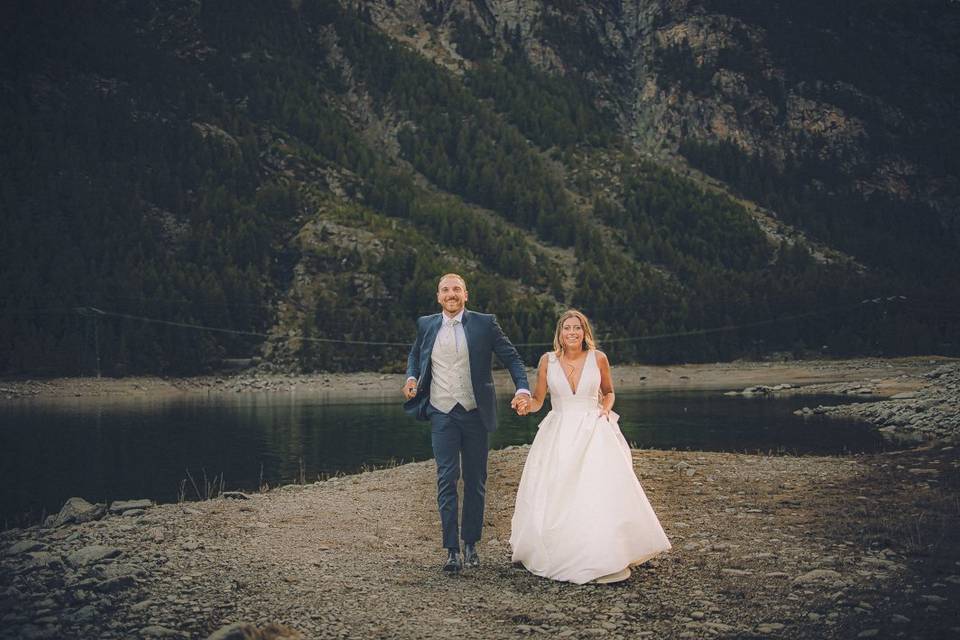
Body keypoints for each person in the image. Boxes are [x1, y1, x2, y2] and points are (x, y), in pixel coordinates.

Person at [510, 309, 671, 584]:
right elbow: (538, 399)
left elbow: (608, 392)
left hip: (593, 427)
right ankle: (560, 547)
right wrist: (526, 406)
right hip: (558, 431)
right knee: (557, 491)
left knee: (595, 490)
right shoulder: (547, 361)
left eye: (577, 328)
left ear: (585, 332)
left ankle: (603, 551)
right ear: (559, 333)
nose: (572, 333)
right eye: (566, 328)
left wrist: (605, 411)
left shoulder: (599, 359)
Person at [403, 273, 531, 573]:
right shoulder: (426, 324)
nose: (451, 294)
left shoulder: (485, 324)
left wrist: (523, 388)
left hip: (475, 412)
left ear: (466, 295)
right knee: (446, 478)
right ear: (438, 297)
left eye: (456, 289)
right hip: (441, 411)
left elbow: (511, 357)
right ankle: (451, 551)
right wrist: (411, 377)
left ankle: (471, 543)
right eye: (446, 290)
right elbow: (414, 354)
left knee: (475, 481)